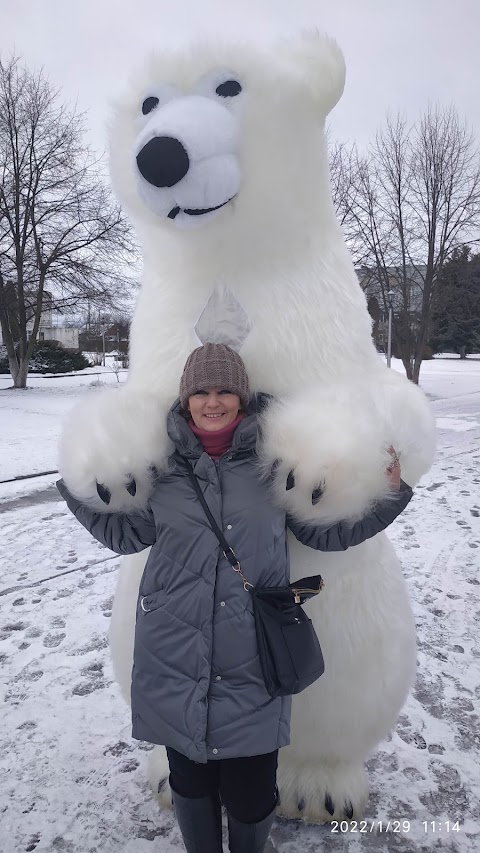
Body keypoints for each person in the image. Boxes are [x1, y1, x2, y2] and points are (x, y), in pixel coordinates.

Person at [57, 342, 412, 853]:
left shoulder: (272, 467)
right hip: (174, 648)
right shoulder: (162, 470)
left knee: (251, 787)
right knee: (191, 780)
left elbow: (322, 535)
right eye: (201, 391)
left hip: (253, 652)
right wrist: (77, 485)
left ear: (242, 399)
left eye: (225, 390)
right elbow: (127, 536)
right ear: (186, 400)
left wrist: (388, 497)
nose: (213, 401)